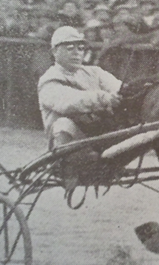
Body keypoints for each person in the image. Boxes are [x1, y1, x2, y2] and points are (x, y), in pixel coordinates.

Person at [38, 26, 122, 187]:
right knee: (64, 124)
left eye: (81, 48)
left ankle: (111, 163)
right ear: (55, 51)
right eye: (70, 48)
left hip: (97, 134)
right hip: (69, 140)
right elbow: (68, 103)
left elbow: (119, 88)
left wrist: (127, 92)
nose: (77, 53)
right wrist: (103, 98)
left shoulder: (95, 72)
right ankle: (67, 169)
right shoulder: (49, 79)